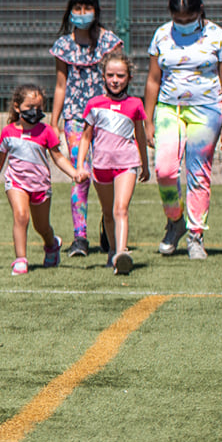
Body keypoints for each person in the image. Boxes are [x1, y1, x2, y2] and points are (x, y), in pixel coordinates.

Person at [144, 0, 222, 261]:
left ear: (200, 11)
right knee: (165, 170)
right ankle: (175, 221)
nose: (183, 23)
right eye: (178, 19)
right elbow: (153, 80)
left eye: (189, 18)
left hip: (206, 110)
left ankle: (195, 234)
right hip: (169, 109)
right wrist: (148, 120)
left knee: (198, 172)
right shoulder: (161, 35)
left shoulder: (218, 36)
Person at [47, 0, 124, 257]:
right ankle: (80, 237)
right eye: (77, 9)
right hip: (75, 116)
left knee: (106, 173)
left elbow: (119, 77)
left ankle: (108, 225)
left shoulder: (110, 42)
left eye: (87, 8)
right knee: (80, 174)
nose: (82, 14)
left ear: (96, 11)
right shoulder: (63, 46)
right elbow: (61, 85)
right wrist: (54, 121)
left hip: (107, 117)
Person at [0, 82, 79, 275]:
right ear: (17, 107)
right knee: (21, 216)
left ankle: (52, 244)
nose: (34, 111)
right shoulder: (8, 132)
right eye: (29, 107)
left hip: (40, 185)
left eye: (38, 107)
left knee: (42, 226)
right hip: (16, 183)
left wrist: (74, 173)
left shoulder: (46, 131)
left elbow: (58, 157)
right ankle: (21, 259)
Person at [77, 54, 152, 276]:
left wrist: (145, 165)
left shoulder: (135, 104)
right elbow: (86, 137)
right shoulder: (94, 104)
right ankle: (111, 251)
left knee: (121, 209)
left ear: (129, 78)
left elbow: (140, 136)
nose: (115, 80)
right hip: (101, 166)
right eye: (110, 75)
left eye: (120, 75)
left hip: (127, 164)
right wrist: (80, 165)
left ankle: (121, 254)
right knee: (108, 213)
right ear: (103, 76)